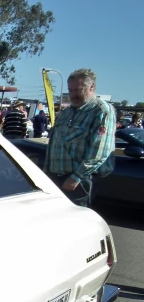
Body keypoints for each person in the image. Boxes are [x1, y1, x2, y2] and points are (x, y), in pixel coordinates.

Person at [44, 68, 116, 207]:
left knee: (73, 222)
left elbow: (99, 151)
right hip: (55, 178)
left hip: (79, 181)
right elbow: (53, 144)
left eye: (78, 90)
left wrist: (76, 177)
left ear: (92, 87)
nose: (73, 95)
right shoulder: (66, 113)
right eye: (70, 90)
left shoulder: (101, 111)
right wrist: (46, 173)